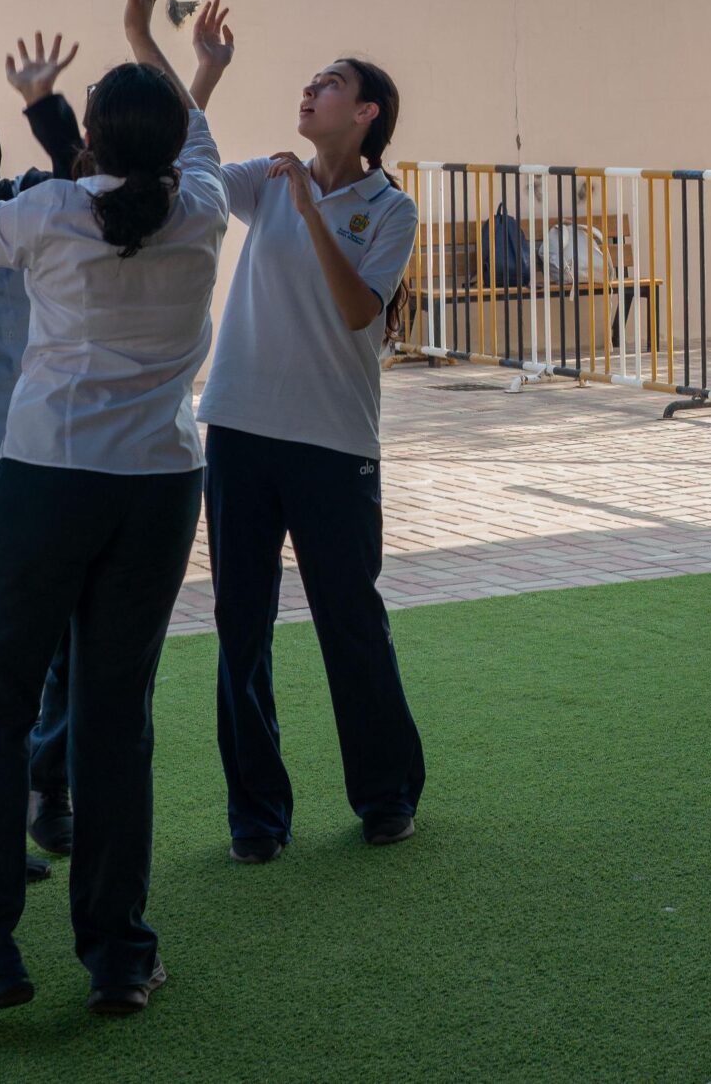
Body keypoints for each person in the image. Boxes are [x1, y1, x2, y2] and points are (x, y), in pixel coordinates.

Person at [0, 0, 234, 1023]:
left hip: (46, 484)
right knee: (112, 720)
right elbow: (184, 124)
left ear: (86, 132)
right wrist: (145, 35)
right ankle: (120, 955)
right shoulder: (206, 208)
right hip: (160, 489)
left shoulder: (47, 213)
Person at [197, 56, 426, 861]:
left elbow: (361, 309)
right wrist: (200, 68)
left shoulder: (391, 209)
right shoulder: (265, 175)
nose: (308, 89)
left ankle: (387, 795)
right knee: (240, 628)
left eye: (329, 83)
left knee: (352, 622)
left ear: (366, 114)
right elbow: (186, 161)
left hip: (334, 446)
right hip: (238, 431)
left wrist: (310, 208)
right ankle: (257, 816)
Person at [0, 35, 90, 860]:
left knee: (62, 634)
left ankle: (51, 784)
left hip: (35, 451)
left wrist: (44, 104)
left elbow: (89, 181)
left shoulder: (34, 198)